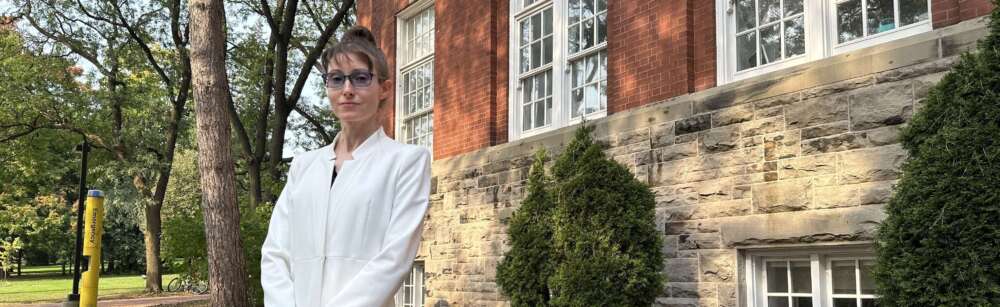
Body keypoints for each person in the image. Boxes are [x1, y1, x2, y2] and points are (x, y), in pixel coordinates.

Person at [260, 26, 432, 307]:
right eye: (337, 79)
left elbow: (394, 258)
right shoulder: (304, 167)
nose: (348, 90)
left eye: (361, 78)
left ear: (384, 88)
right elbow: (276, 253)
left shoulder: (407, 162)